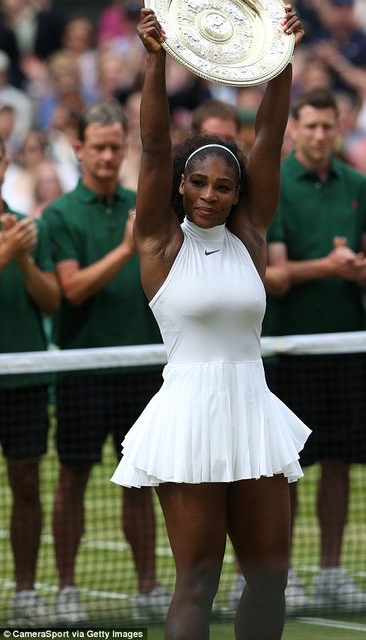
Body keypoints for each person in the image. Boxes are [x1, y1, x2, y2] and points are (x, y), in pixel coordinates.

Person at [111, 6, 310, 640]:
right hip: (190, 411)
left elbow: (271, 138)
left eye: (224, 186)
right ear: (180, 185)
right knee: (198, 578)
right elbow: (152, 145)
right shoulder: (156, 244)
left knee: (271, 572)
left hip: (253, 405)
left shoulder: (249, 234)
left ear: (237, 193)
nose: (209, 194)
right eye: (198, 182)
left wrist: (281, 61)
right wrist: (153, 60)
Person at [42, 102, 170, 624]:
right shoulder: (59, 215)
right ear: (79, 150)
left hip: (141, 370)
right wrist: (126, 250)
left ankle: (147, 587)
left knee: (140, 484)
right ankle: (67, 589)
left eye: (116, 147)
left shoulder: (142, 206)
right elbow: (71, 290)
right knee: (71, 480)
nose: (108, 155)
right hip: (82, 370)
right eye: (98, 146)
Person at [266, 87, 366, 610]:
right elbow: (276, 276)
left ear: (339, 128)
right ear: (296, 129)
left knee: (339, 461)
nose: (318, 135)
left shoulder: (359, 185)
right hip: (289, 349)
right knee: (283, 469)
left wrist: (357, 269)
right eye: (309, 126)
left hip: (347, 344)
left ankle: (332, 573)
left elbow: (365, 258)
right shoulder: (275, 183)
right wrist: (328, 268)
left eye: (326, 126)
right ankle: (275, 577)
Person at [0, 135, 60, 624]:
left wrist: (20, 257)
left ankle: (24, 592)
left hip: (23, 379)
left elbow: (52, 301)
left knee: (27, 485)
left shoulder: (22, 227)